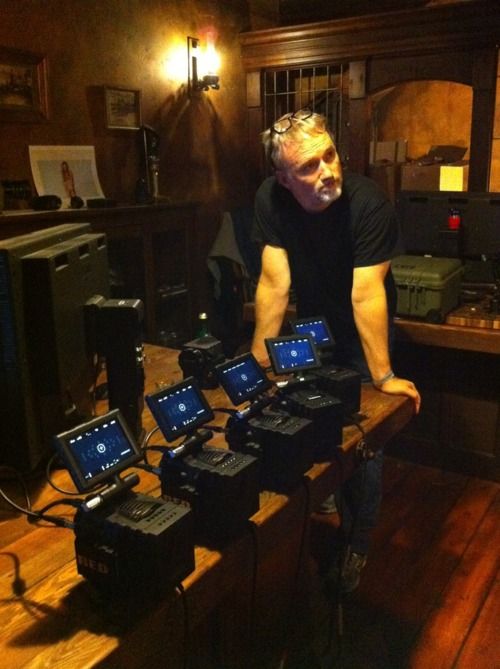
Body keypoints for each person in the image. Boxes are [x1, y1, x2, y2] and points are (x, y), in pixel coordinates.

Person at [250, 108, 421, 594]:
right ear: (284, 180)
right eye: (308, 166)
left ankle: (357, 543)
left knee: (364, 437)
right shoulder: (270, 200)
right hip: (310, 326)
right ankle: (322, 498)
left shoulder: (369, 204)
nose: (327, 170)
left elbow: (366, 294)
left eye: (329, 155)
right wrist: (260, 360)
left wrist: (383, 377)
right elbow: (273, 282)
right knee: (304, 413)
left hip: (361, 327)